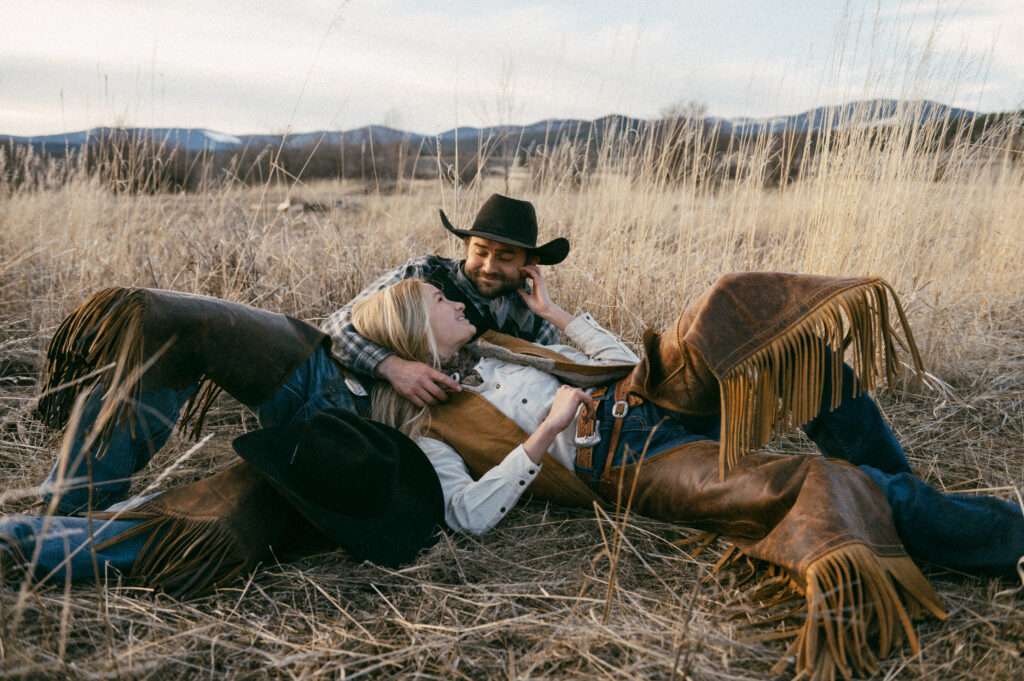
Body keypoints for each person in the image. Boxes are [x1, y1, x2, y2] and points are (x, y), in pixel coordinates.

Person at [349, 273, 1024, 680]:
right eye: (440, 298)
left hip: (645, 398)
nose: (456, 299)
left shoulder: (501, 344)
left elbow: (615, 363)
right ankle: (983, 531)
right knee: (822, 485)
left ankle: (899, 502)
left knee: (756, 324)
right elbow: (467, 513)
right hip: (625, 461)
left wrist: (558, 318)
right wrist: (547, 431)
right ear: (414, 328)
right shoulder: (431, 430)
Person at [35, 193, 566, 515]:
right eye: (481, 251)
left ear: (528, 264)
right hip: (340, 387)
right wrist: (391, 365)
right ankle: (75, 504)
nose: (489, 265)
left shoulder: (529, 318)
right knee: (173, 330)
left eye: (506, 256)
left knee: (234, 506)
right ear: (466, 247)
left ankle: (84, 531)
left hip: (385, 441)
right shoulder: (425, 275)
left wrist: (553, 314)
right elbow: (337, 325)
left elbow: (556, 375)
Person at [1, 409, 445, 599]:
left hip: (230, 500)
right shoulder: (229, 520)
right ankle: (15, 540)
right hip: (214, 514)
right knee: (128, 532)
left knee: (139, 516)